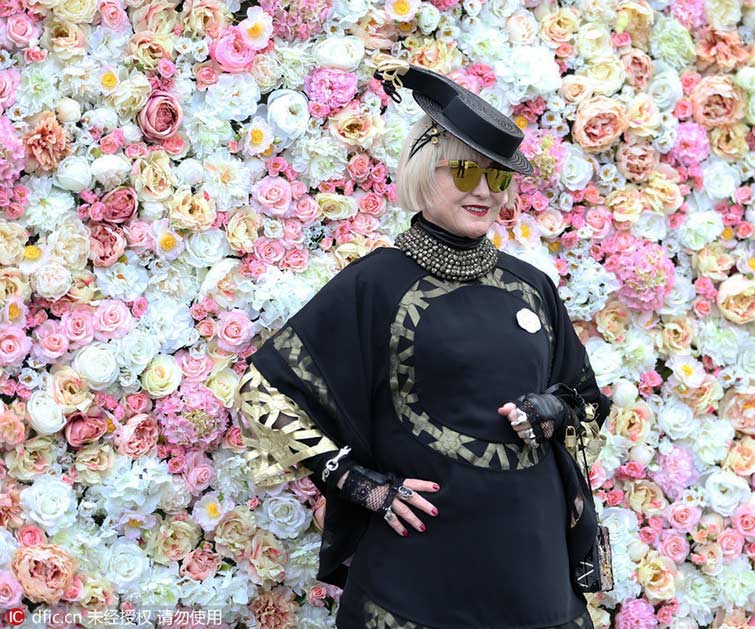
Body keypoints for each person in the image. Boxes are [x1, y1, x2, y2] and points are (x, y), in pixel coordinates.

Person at [236, 59, 612, 629]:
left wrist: (553, 408)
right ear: (423, 171)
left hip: (532, 564)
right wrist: (359, 485)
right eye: (464, 173)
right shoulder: (375, 282)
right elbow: (263, 393)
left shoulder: (530, 285)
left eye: (499, 177)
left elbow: (587, 400)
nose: (484, 190)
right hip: (420, 566)